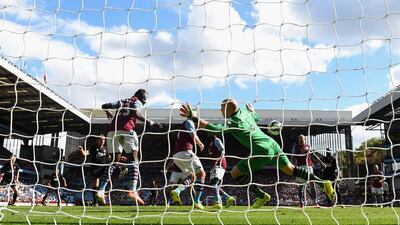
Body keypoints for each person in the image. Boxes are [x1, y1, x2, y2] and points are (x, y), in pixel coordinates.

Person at [179, 99, 335, 209]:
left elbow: (215, 129)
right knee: (291, 170)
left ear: (228, 109)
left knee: (235, 173)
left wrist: (194, 117)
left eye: (221, 108)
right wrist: (253, 111)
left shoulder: (234, 122)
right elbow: (256, 116)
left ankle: (261, 196)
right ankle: (324, 183)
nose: (220, 110)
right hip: (273, 145)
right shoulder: (246, 113)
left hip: (261, 150)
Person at [97, 89, 163, 205]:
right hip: (127, 131)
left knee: (114, 162)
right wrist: (150, 122)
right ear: (139, 97)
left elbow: (104, 105)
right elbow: (135, 113)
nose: (145, 102)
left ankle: (101, 191)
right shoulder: (136, 101)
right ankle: (132, 190)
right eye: (144, 99)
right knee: (134, 160)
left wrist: (107, 111)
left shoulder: (122, 101)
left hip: (112, 131)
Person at [169, 119, 206, 209]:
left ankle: (177, 191)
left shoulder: (181, 129)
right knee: (202, 174)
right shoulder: (189, 122)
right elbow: (193, 134)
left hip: (177, 156)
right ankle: (197, 201)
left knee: (192, 176)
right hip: (186, 152)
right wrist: (200, 143)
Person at [293, 134, 326, 208]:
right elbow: (295, 157)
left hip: (309, 166)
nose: (300, 139)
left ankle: (315, 202)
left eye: (302, 138)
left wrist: (321, 162)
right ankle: (301, 203)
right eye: (299, 138)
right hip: (301, 167)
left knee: (312, 185)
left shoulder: (308, 146)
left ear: (305, 139)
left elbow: (313, 155)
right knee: (301, 186)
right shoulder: (296, 147)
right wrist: (294, 166)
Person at [208, 135, 235, 209]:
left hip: (219, 165)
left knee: (214, 184)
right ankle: (228, 198)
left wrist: (217, 161)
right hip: (215, 165)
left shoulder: (217, 140)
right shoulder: (212, 143)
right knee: (214, 185)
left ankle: (218, 202)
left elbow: (222, 150)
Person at [89, 134, 108, 207]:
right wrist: (82, 151)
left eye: (103, 140)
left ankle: (102, 196)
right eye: (100, 140)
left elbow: (108, 157)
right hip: (95, 168)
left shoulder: (105, 148)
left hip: (103, 167)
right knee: (96, 183)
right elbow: (88, 153)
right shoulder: (93, 147)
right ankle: (95, 202)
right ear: (97, 140)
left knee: (107, 178)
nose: (102, 141)